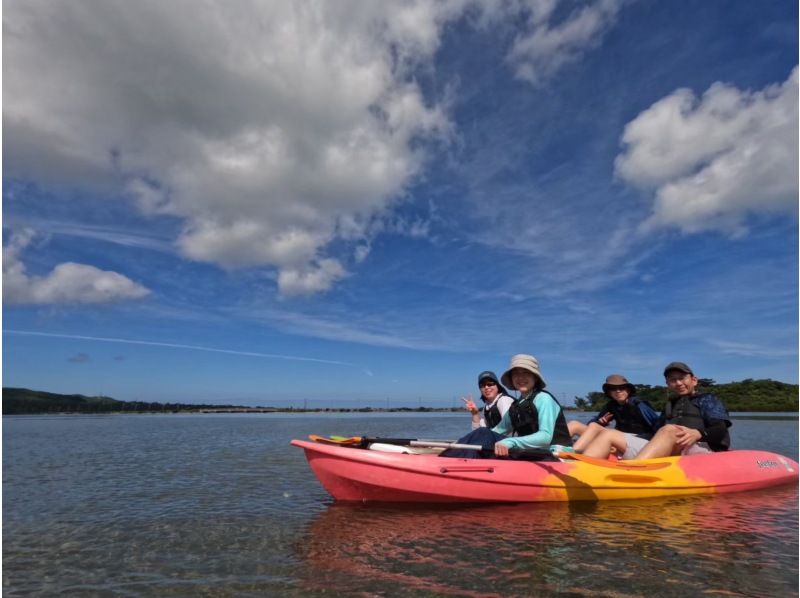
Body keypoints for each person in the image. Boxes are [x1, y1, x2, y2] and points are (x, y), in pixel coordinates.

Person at [441, 354, 572, 459]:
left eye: (526, 373)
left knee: (484, 434)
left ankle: (454, 462)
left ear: (535, 377)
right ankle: (446, 458)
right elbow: (496, 431)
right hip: (532, 452)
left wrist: (510, 442)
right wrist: (474, 419)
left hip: (555, 455)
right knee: (483, 432)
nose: (521, 377)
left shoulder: (543, 398)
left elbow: (545, 437)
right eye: (516, 374)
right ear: (512, 379)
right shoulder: (516, 405)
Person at [634, 362, 731, 460]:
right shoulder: (670, 404)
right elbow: (654, 433)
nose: (679, 383)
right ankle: (628, 466)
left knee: (669, 429)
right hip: (673, 448)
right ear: (668, 384)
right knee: (618, 435)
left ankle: (634, 470)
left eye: (682, 378)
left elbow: (720, 429)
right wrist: (633, 438)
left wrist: (699, 433)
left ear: (694, 380)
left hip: (700, 447)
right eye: (673, 380)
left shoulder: (707, 399)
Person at [570, 374, 660, 458]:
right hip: (619, 438)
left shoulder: (639, 405)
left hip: (639, 441)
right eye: (613, 388)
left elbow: (658, 428)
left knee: (604, 431)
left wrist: (619, 441)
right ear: (609, 393)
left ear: (628, 390)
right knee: (575, 424)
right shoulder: (612, 406)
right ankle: (563, 450)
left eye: (622, 388)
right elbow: (592, 425)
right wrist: (600, 422)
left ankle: (574, 454)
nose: (618, 391)